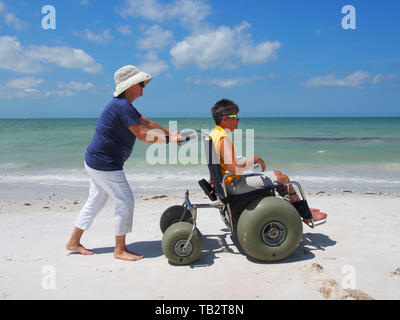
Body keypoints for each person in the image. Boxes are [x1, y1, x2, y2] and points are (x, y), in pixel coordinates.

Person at [66, 65, 180, 261]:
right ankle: (119, 250)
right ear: (130, 86)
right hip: (105, 164)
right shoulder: (122, 106)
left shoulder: (124, 106)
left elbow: (147, 123)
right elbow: (143, 135)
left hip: (95, 161)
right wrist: (170, 140)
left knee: (96, 201)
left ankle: (73, 242)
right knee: (125, 201)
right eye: (141, 84)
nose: (144, 87)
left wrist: (171, 133)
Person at [209, 99, 327, 224]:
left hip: (226, 183)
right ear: (225, 119)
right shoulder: (223, 139)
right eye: (236, 116)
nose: (239, 119)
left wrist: (214, 178)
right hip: (234, 185)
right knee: (283, 179)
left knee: (278, 173)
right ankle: (306, 215)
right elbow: (234, 168)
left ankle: (296, 205)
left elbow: (214, 163)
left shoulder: (213, 134)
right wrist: (254, 160)